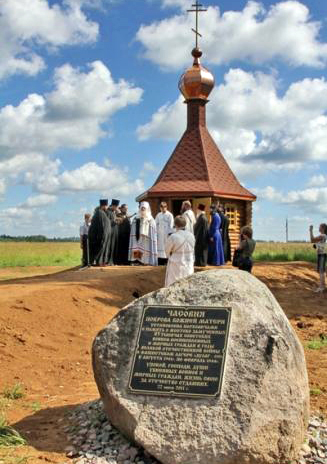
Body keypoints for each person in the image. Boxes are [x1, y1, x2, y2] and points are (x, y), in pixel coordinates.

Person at [165, 215, 195, 286]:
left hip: (176, 265)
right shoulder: (191, 235)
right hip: (189, 264)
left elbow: (167, 250)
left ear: (175, 225)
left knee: (173, 285)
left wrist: (170, 256)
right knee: (187, 284)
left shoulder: (173, 236)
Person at [129, 201, 158, 266]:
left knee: (146, 249)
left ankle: (146, 261)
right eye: (142, 208)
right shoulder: (136, 218)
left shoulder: (150, 219)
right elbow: (133, 227)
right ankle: (137, 261)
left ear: (147, 209)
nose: (142, 210)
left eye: (144, 208)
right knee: (137, 248)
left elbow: (153, 228)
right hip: (137, 236)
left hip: (146, 238)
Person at [88, 199, 111, 266]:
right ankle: (98, 262)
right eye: (106, 206)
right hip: (99, 236)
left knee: (102, 248)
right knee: (99, 248)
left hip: (102, 235)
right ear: (103, 206)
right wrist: (103, 235)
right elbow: (102, 226)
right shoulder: (100, 213)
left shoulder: (101, 213)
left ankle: (101, 262)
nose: (107, 208)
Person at [310, 223, 327, 292]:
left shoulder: (323, 235)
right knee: (321, 271)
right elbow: (316, 244)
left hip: (322, 255)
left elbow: (312, 240)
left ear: (323, 228)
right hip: (321, 254)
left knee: (321, 271)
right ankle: (322, 286)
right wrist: (316, 245)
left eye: (319, 227)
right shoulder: (323, 236)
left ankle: (321, 287)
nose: (318, 228)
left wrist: (311, 231)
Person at [107, 199, 120, 265]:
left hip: (115, 231)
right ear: (114, 206)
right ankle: (109, 261)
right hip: (111, 232)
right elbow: (108, 222)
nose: (117, 208)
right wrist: (115, 221)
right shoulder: (108, 212)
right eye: (117, 207)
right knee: (110, 246)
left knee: (114, 246)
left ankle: (113, 261)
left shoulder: (113, 212)